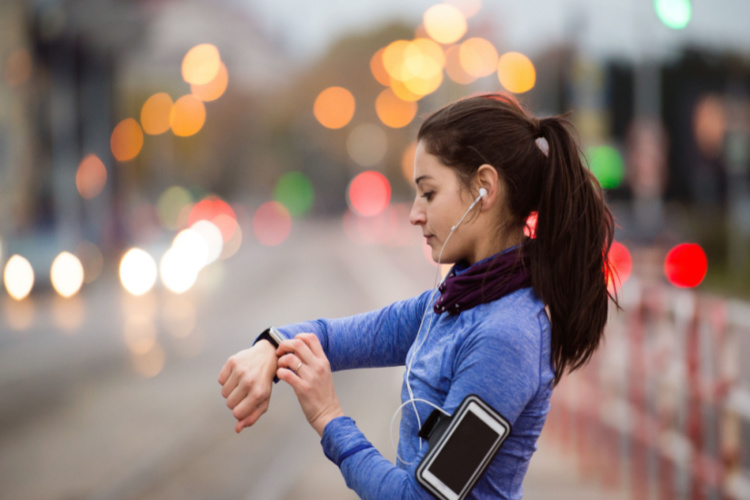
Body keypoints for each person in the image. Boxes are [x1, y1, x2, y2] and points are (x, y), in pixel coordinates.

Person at [218, 93, 617, 499]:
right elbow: (335, 338)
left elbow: (421, 498)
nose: (414, 214)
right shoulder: (449, 305)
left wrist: (328, 416)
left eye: (428, 193)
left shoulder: (507, 338)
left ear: (484, 188)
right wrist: (269, 345)